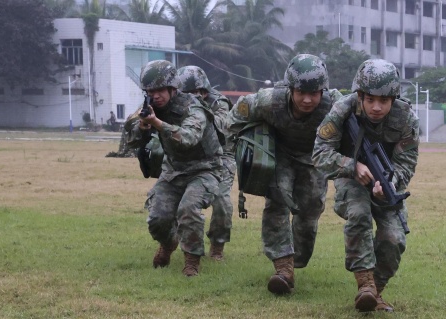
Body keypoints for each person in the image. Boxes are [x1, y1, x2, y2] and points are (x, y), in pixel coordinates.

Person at [227, 54, 341, 294]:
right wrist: (238, 150)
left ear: (324, 90)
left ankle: (296, 261)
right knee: (277, 203)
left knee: (310, 212)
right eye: (301, 92)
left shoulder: (336, 105)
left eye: (314, 93)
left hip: (315, 158)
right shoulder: (268, 101)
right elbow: (235, 118)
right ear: (290, 89)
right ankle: (283, 268)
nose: (308, 99)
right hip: (280, 155)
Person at [313, 59, 419, 313]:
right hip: (350, 175)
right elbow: (319, 153)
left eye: (383, 101)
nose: (376, 107)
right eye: (370, 100)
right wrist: (352, 166)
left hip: (386, 182)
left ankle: (376, 291)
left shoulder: (406, 118)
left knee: (394, 238)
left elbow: (407, 163)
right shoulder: (343, 110)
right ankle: (365, 285)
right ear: (359, 95)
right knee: (359, 214)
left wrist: (390, 183)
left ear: (394, 98)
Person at [125, 60, 223, 277]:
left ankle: (191, 261)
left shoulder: (193, 106)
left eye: (160, 90)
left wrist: (158, 123)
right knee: (157, 218)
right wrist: (141, 127)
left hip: (205, 169)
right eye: (151, 91)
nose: (156, 95)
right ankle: (169, 244)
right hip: (174, 170)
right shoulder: (150, 109)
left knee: (188, 209)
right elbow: (129, 142)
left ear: (172, 88)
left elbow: (188, 137)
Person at [177, 65, 234, 261]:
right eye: (187, 93)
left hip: (220, 155)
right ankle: (169, 241)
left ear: (204, 90)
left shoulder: (218, 102)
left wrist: (199, 114)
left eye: (196, 92)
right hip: (187, 155)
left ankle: (217, 246)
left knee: (221, 203)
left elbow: (222, 127)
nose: (192, 96)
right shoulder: (174, 102)